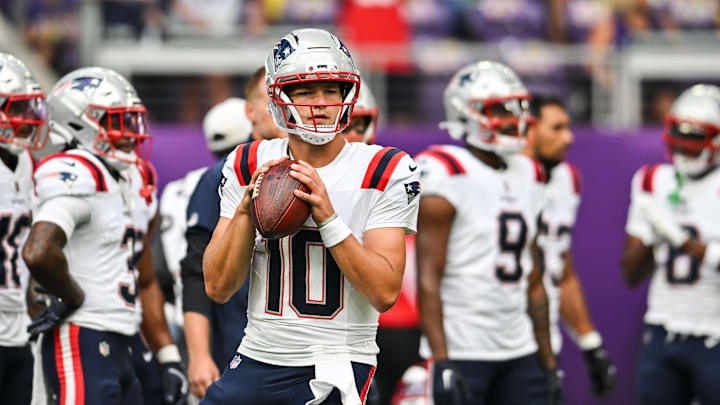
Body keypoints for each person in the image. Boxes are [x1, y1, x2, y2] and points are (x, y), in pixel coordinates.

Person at [201, 28, 419, 405]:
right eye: (304, 91)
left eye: (331, 89)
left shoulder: (385, 168)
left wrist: (329, 218)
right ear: (278, 97)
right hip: (256, 354)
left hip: (335, 363)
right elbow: (218, 287)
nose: (320, 103)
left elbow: (385, 293)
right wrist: (244, 214)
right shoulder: (248, 162)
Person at [21, 67, 183, 405]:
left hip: (126, 332)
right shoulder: (76, 171)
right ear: (78, 123)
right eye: (115, 121)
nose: (128, 134)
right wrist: (73, 297)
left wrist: (168, 355)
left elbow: (145, 277)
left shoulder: (136, 178)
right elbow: (38, 251)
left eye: (130, 121)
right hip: (82, 331)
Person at [415, 61, 559, 405]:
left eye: (518, 107)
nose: (514, 118)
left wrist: (548, 362)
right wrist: (441, 359)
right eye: (500, 109)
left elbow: (533, 275)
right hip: (463, 348)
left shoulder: (531, 172)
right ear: (465, 113)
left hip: (520, 348)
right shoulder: (445, 171)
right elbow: (427, 279)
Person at [181, 69, 287, 400]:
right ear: (250, 111)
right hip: (240, 346)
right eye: (271, 101)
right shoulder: (226, 174)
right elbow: (197, 272)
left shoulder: (321, 170)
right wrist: (198, 355)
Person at [621, 84, 720, 405]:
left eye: (694, 140)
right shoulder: (653, 180)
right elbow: (630, 274)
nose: (684, 149)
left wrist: (679, 238)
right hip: (662, 330)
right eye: (680, 138)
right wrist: (652, 235)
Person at [525, 96, 616, 398]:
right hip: (495, 340)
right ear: (529, 130)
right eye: (557, 128)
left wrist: (590, 342)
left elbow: (560, 270)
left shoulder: (567, 179)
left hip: (546, 339)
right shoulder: (498, 178)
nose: (569, 137)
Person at [0, 53, 49, 405]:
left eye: (27, 110)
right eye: (14, 110)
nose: (25, 121)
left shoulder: (26, 163)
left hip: (20, 326)